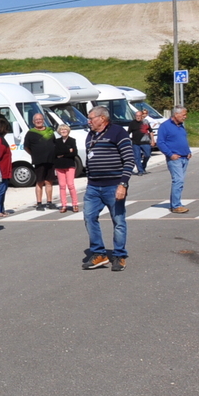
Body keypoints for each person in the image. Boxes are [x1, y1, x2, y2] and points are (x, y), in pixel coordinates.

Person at [81, 106, 134, 272]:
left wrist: (123, 184)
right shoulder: (90, 135)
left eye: (91, 118)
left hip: (114, 185)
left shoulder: (118, 132)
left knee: (118, 221)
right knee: (89, 217)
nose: (89, 121)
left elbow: (129, 159)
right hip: (93, 186)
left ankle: (119, 255)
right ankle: (99, 253)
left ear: (102, 118)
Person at [156, 106, 192, 213]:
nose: (185, 117)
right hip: (175, 159)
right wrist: (170, 154)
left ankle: (176, 203)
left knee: (180, 181)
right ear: (176, 114)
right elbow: (160, 142)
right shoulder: (165, 126)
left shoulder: (181, 126)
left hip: (184, 157)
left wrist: (188, 151)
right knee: (178, 180)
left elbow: (182, 139)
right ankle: (176, 205)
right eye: (183, 115)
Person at [23, 112, 57, 210]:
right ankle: (39, 203)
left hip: (50, 160)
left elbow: (54, 144)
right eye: (36, 120)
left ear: (43, 120)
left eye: (40, 119)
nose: (38, 121)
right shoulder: (30, 133)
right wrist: (33, 154)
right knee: (40, 181)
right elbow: (26, 147)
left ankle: (49, 202)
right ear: (33, 122)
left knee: (49, 181)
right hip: (39, 161)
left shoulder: (50, 131)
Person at [53, 123, 79, 213]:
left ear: (68, 131)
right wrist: (68, 150)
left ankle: (75, 204)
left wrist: (63, 154)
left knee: (71, 185)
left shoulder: (72, 140)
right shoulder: (56, 141)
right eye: (61, 130)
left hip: (69, 165)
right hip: (59, 166)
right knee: (62, 186)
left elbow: (74, 153)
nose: (63, 131)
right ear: (59, 131)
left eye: (65, 129)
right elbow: (56, 153)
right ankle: (64, 205)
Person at [0, 118, 13, 217]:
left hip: (4, 170)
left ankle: (1, 209)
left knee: (2, 190)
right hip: (1, 170)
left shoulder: (0, 139)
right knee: (0, 191)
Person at [130, 109, 154, 175]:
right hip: (135, 143)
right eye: (136, 116)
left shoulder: (145, 122)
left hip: (145, 142)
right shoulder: (132, 123)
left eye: (139, 116)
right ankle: (140, 171)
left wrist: (152, 140)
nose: (138, 117)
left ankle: (143, 166)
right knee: (137, 157)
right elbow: (128, 132)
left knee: (147, 155)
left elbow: (151, 131)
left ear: (142, 116)